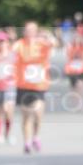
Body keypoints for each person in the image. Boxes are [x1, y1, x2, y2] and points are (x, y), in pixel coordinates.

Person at [13, 21, 56, 154]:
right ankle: (26, 142)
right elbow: (11, 52)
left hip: (39, 85)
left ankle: (36, 136)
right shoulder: (20, 44)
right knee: (26, 116)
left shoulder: (42, 44)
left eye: (32, 30)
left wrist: (48, 36)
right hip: (23, 85)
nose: (29, 33)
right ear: (24, 32)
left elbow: (54, 44)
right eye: (27, 30)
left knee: (37, 113)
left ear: (36, 32)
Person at [64, 23, 83, 94]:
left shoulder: (82, 47)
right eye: (75, 38)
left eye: (78, 38)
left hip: (81, 69)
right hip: (71, 70)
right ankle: (75, 97)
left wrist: (81, 41)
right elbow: (68, 56)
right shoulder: (70, 47)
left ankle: (79, 98)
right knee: (73, 86)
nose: (77, 39)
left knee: (80, 84)